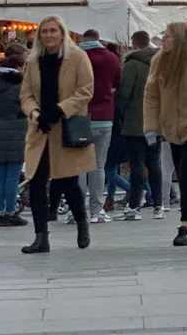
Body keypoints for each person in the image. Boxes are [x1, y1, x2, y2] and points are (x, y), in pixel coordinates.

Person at [19, 15, 95, 255]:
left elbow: (85, 91)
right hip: (40, 128)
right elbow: (26, 94)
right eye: (44, 31)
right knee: (37, 181)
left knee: (67, 181)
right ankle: (41, 237)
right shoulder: (33, 61)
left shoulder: (78, 57)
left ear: (62, 33)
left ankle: (82, 222)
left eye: (53, 31)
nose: (49, 35)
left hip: (66, 127)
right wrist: (34, 112)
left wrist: (60, 110)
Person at [144, 22, 187, 246]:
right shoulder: (159, 61)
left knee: (185, 170)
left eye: (169, 36)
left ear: (181, 38)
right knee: (183, 174)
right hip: (172, 128)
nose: (164, 39)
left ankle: (185, 225)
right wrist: (151, 127)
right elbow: (151, 96)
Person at [73, 29, 120, 225]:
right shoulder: (111, 58)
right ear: (99, 39)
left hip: (80, 116)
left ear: (83, 39)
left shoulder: (75, 57)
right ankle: (96, 210)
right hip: (104, 117)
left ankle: (76, 210)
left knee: (79, 166)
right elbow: (118, 83)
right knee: (98, 165)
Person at [116, 30, 161, 221]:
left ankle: (134, 204)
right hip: (155, 121)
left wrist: (119, 109)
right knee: (154, 163)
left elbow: (124, 92)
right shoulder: (159, 63)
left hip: (135, 122)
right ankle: (159, 204)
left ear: (133, 44)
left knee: (136, 165)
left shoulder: (132, 64)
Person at [0, 45, 29, 228]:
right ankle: (11, 212)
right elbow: (26, 106)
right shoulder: (17, 86)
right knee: (12, 174)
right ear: (18, 68)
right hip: (15, 129)